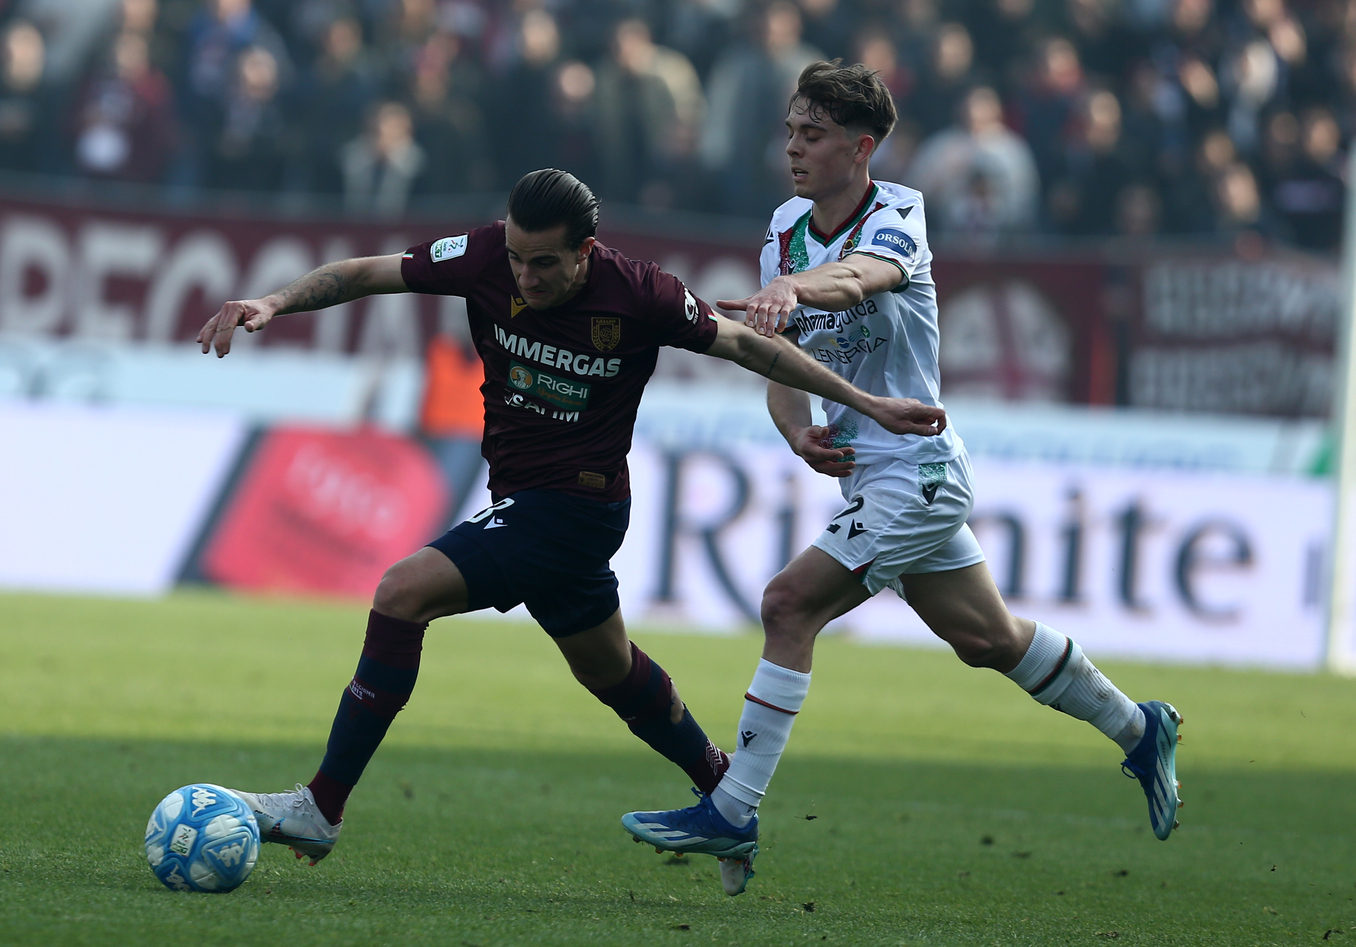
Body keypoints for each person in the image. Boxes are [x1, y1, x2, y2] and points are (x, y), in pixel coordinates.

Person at [195, 168, 945, 865]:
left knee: (401, 592)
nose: (525, 277)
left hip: (576, 506)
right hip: (524, 500)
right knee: (608, 669)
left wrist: (866, 404)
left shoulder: (641, 293)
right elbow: (367, 273)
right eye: (517, 259)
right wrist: (273, 303)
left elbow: (753, 347)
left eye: (544, 263)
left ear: (586, 251)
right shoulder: (483, 256)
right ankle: (725, 792)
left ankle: (320, 807)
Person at [621, 61, 1183, 898]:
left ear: (861, 147)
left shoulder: (900, 214)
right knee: (987, 640)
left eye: (812, 134)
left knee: (788, 605)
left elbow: (857, 279)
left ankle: (733, 807)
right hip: (865, 475)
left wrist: (790, 288)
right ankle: (1141, 728)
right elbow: (780, 356)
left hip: (917, 469)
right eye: (789, 131)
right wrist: (795, 430)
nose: (792, 148)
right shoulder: (785, 227)